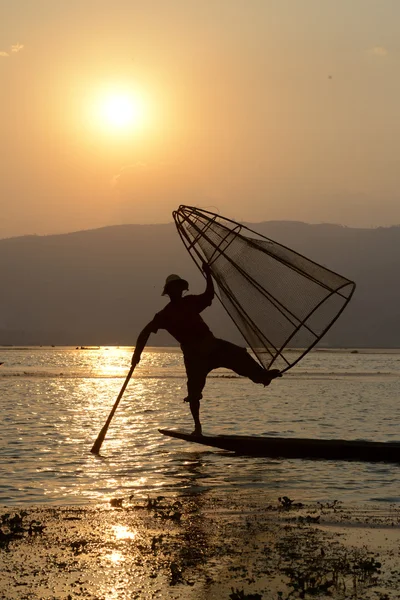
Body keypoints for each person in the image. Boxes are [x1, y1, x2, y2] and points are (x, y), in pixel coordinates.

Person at [132, 263, 281, 435]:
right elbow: (144, 332)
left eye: (179, 288)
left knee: (240, 356)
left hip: (211, 346)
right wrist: (137, 354)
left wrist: (208, 274)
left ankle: (262, 377)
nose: (178, 291)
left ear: (181, 290)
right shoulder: (165, 314)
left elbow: (209, 295)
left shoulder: (190, 302)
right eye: (174, 289)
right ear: (169, 292)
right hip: (194, 356)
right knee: (194, 392)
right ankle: (197, 428)